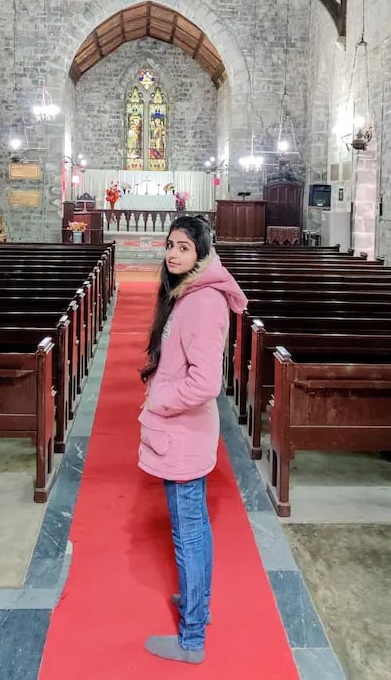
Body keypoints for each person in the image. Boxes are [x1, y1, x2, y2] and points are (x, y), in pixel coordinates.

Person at [138, 214, 247, 665]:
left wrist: (160, 400)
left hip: (181, 431)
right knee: (192, 527)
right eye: (170, 245)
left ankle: (192, 637)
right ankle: (196, 603)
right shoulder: (190, 292)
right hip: (181, 433)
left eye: (184, 246)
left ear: (202, 251)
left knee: (189, 533)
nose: (173, 253)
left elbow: (205, 384)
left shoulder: (201, 302)